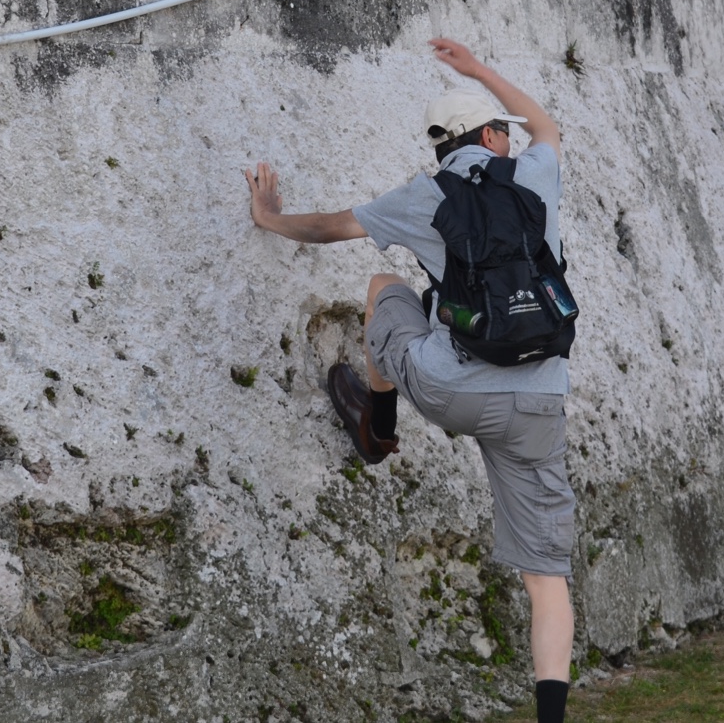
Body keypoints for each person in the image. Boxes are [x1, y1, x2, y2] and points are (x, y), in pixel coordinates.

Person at [244, 38, 576, 723]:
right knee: (547, 579)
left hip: (453, 390)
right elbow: (546, 127)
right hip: (540, 397)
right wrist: (480, 69)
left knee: (386, 288)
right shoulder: (537, 174)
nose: (511, 140)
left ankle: (379, 426)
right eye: (502, 135)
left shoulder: (424, 195)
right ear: (491, 136)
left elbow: (334, 227)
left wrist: (269, 217)